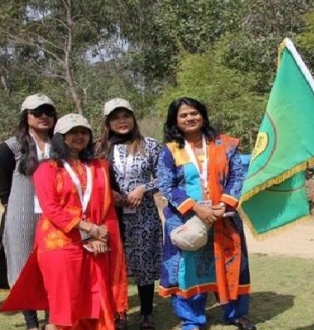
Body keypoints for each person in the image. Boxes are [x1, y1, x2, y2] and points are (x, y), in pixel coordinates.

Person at [0, 113, 129, 330]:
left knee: (95, 297)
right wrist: (88, 228)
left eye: (83, 132)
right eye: (73, 132)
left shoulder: (99, 166)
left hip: (96, 241)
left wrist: (100, 235)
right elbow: (51, 209)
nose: (79, 136)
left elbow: (105, 205)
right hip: (60, 243)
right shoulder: (46, 168)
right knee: (64, 303)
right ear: (61, 137)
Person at [156, 97, 256, 330]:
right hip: (187, 219)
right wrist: (196, 208)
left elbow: (236, 176)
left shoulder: (225, 144)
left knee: (231, 263)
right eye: (183, 115)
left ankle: (236, 314)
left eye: (194, 113)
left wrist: (224, 203)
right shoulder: (171, 150)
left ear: (202, 115)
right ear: (175, 121)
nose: (190, 118)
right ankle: (192, 319)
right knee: (188, 268)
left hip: (224, 217)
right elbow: (167, 184)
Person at [0, 93, 57, 329]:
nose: (43, 116)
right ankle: (31, 322)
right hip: (22, 215)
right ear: (26, 116)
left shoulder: (60, 144)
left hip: (54, 215)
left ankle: (51, 318)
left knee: (51, 265)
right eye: (37, 112)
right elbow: (5, 189)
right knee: (23, 266)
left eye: (48, 111)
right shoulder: (10, 148)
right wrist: (13, 211)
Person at [95, 98, 163, 330]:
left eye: (126, 116)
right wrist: (108, 192)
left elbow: (165, 176)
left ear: (133, 118)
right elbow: (89, 179)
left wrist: (144, 188)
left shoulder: (150, 145)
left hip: (144, 216)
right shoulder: (98, 149)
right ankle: (119, 313)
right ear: (108, 122)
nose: (122, 121)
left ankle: (146, 314)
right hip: (111, 216)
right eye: (116, 117)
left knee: (144, 265)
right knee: (115, 264)